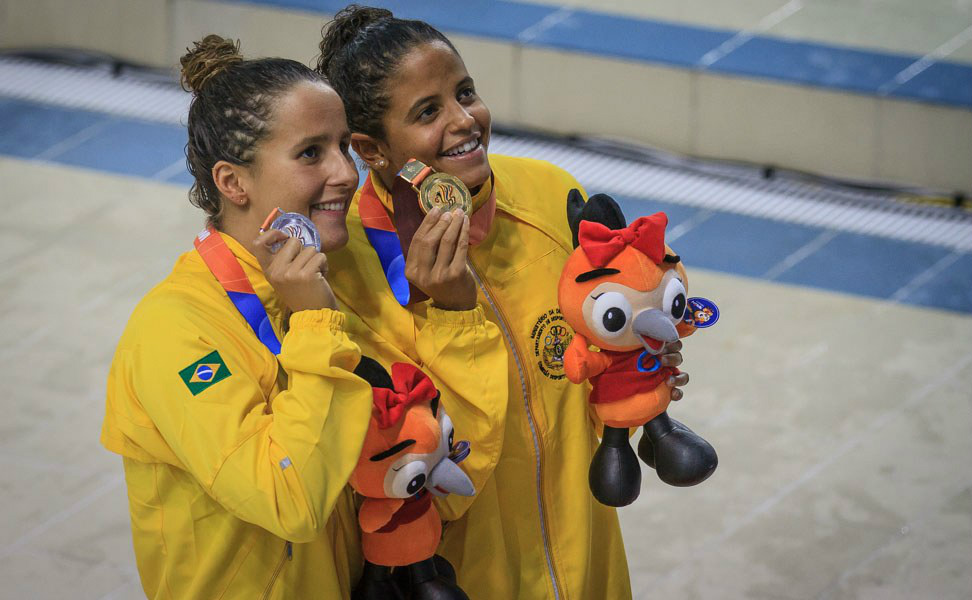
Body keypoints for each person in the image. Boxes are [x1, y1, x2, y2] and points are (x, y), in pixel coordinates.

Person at [317, 6, 688, 599]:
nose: (466, 120)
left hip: (587, 555)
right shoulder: (344, 279)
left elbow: (588, 358)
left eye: (465, 92)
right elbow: (420, 472)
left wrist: (641, 367)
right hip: (470, 577)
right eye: (428, 111)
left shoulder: (548, 195)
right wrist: (457, 313)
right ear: (372, 149)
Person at [101, 35, 376, 599]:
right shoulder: (174, 330)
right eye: (311, 153)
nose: (346, 172)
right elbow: (289, 501)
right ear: (232, 183)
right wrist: (317, 327)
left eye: (344, 146)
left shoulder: (328, 278)